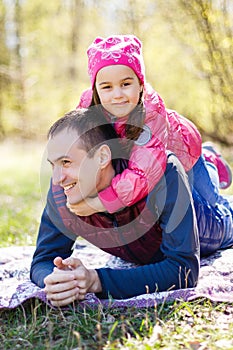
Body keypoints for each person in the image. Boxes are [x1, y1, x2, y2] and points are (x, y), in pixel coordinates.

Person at [30, 108, 233, 307]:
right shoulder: (62, 191)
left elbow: (183, 270)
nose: (57, 178)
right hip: (145, 249)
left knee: (225, 215)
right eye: (53, 165)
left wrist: (96, 280)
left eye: (66, 162)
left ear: (102, 157)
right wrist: (57, 280)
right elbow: (43, 260)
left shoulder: (162, 174)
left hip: (207, 227)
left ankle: (209, 159)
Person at [70, 34, 231, 217]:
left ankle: (211, 161)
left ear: (140, 84)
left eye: (126, 84)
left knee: (212, 199)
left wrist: (102, 202)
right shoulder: (88, 109)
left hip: (184, 151)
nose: (117, 95)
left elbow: (144, 173)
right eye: (107, 87)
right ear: (96, 89)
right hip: (138, 154)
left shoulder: (151, 115)